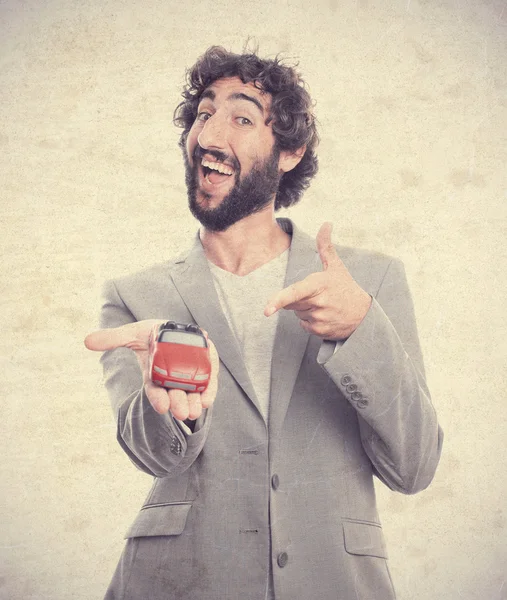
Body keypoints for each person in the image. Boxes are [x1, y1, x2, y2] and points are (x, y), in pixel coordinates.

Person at [85, 46, 443, 600]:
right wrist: (173, 398)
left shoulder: (369, 282)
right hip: (182, 580)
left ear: (290, 152)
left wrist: (359, 331)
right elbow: (154, 454)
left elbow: (414, 467)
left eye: (242, 116)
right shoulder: (135, 297)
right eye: (203, 114)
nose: (208, 133)